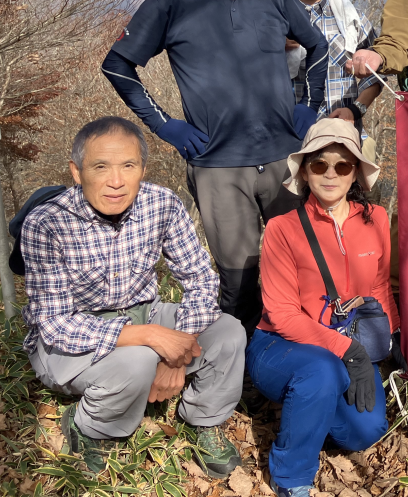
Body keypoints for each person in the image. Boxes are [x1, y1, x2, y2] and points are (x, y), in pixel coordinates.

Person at [101, 0, 329, 335]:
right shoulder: (170, 1)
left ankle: (307, 355)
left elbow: (319, 45)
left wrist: (310, 106)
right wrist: (167, 126)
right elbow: (118, 65)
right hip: (218, 165)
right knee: (240, 279)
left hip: (285, 156)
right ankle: (240, 379)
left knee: (306, 266)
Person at [21, 117, 245, 477]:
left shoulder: (162, 203)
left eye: (128, 166)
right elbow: (55, 322)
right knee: (138, 360)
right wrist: (151, 339)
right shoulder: (47, 222)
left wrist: (178, 351)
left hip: (144, 312)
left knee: (229, 331)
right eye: (100, 167)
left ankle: (204, 420)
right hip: (71, 340)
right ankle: (89, 426)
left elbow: (202, 279)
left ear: (142, 168)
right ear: (76, 172)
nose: (116, 181)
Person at [247, 119, 401, 497]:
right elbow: (282, 315)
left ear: (355, 175)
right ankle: (292, 479)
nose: (330, 174)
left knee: (365, 431)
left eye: (343, 165)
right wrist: (349, 352)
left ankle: (309, 408)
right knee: (321, 371)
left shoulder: (377, 219)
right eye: (319, 164)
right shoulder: (283, 229)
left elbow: (380, 285)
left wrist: (393, 337)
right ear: (304, 171)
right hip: (280, 345)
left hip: (350, 342)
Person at [282, 0, 382, 142]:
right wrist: (273, 46)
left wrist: (355, 111)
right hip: (288, 138)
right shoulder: (272, 19)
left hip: (343, 140)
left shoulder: (353, 19)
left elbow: (376, 76)